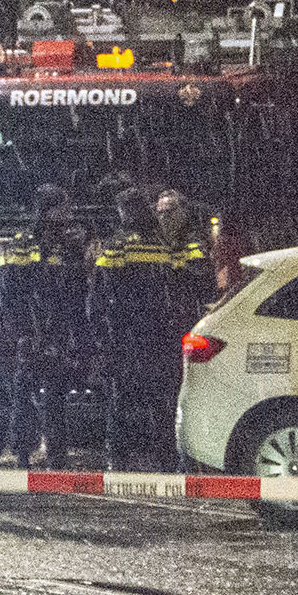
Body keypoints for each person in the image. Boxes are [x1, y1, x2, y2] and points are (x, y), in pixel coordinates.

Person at [89, 187, 214, 466]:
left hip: (129, 334)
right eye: (160, 212)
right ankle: (165, 458)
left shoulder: (118, 245)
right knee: (160, 399)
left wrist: (101, 334)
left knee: (125, 398)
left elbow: (99, 294)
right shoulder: (163, 245)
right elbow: (181, 284)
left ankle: (120, 458)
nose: (164, 217)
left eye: (169, 212)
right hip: (157, 333)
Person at [0, 184, 92, 465]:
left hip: (58, 331)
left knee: (55, 396)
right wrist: (22, 332)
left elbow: (76, 293)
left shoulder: (68, 246)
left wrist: (76, 336)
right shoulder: (21, 244)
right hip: (31, 331)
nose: (68, 213)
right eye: (62, 208)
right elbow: (9, 294)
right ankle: (22, 453)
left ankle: (56, 457)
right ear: (49, 210)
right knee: (23, 394)